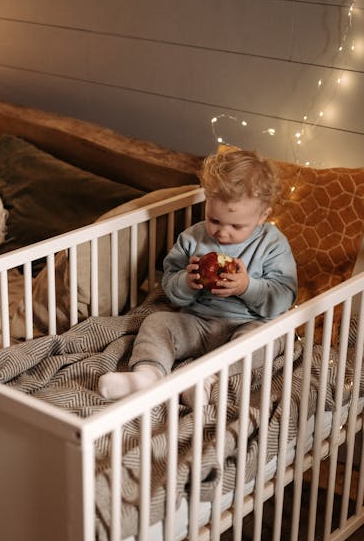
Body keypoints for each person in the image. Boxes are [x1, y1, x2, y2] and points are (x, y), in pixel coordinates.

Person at [98, 148, 297, 402]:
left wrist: (247, 287)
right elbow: (170, 286)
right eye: (214, 220)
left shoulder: (272, 245)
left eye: (236, 226)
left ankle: (208, 382)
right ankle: (147, 376)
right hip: (197, 321)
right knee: (157, 323)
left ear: (263, 216)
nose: (222, 233)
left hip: (246, 324)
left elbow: (284, 297)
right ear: (207, 201)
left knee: (267, 342)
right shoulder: (193, 238)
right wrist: (187, 282)